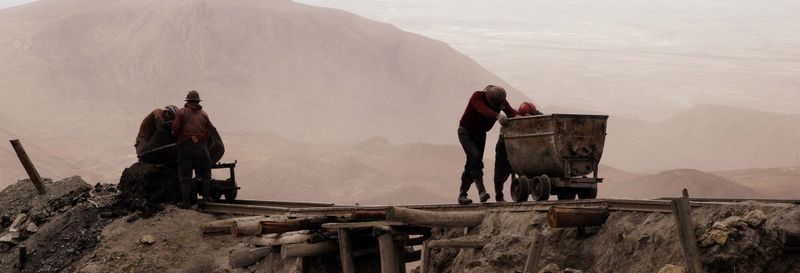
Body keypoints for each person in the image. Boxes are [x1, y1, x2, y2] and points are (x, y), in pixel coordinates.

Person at [457, 85, 519, 205]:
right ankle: (481, 191)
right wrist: (497, 115)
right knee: (474, 158)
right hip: (466, 132)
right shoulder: (477, 97)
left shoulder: (500, 101)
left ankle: (462, 194)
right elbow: (482, 109)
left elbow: (511, 113)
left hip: (481, 134)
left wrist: (523, 118)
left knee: (473, 162)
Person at [172, 90, 215, 208]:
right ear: (198, 101)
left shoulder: (181, 112)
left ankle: (186, 202)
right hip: (201, 147)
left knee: (185, 175)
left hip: (186, 146)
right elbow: (210, 130)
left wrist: (180, 138)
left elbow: (175, 129)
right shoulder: (204, 114)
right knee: (205, 174)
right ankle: (207, 198)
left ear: (188, 101)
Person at [493, 102, 543, 202]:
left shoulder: (535, 113)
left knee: (524, 167)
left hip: (523, 143)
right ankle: (499, 195)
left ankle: (524, 187)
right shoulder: (512, 114)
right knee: (500, 170)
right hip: (505, 143)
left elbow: (543, 118)